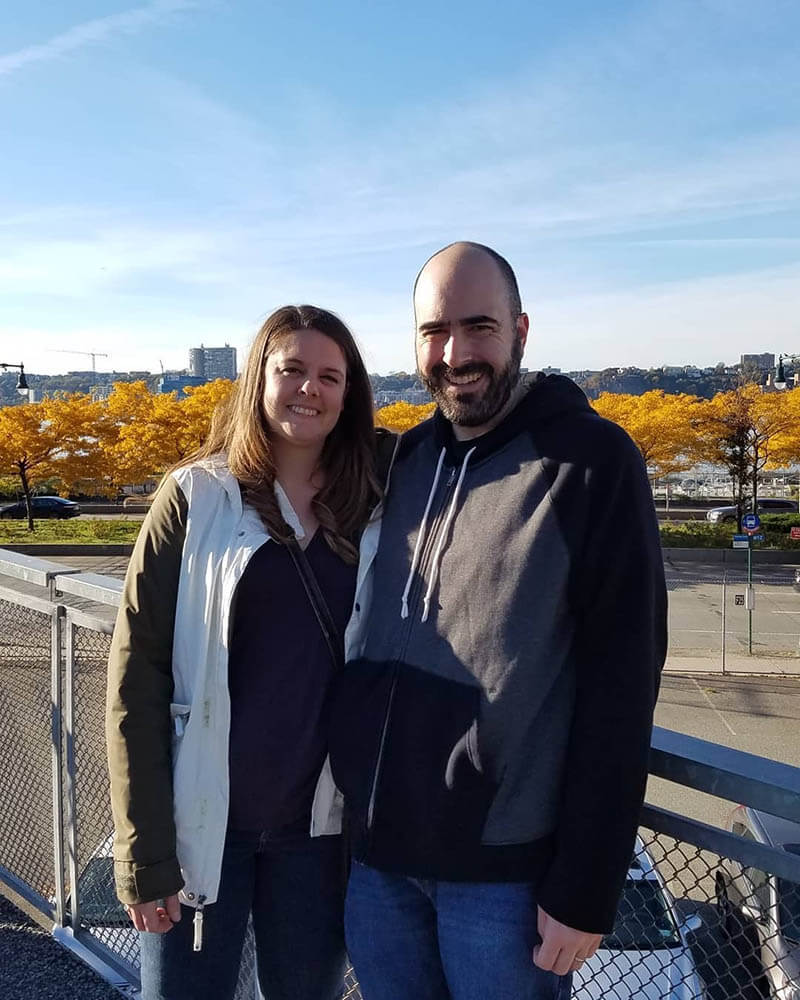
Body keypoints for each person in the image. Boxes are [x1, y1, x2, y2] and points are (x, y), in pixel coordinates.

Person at [328, 242, 668, 1000]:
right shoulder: (408, 459)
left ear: (520, 329)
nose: (455, 353)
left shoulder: (592, 461)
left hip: (504, 877)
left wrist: (585, 884)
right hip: (379, 863)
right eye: (434, 331)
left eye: (478, 326)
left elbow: (623, 683)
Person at [106, 305, 383, 1000]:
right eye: (291, 369)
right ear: (258, 377)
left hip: (320, 833)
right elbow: (135, 679)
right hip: (203, 828)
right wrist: (144, 854)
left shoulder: (377, 499)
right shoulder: (196, 497)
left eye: (330, 375)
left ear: (350, 393)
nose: (309, 390)